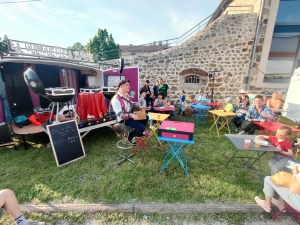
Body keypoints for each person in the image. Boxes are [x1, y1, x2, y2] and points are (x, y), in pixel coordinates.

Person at [111, 79, 149, 145]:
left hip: (130, 115)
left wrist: (139, 107)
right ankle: (130, 137)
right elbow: (120, 115)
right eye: (127, 85)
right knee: (142, 127)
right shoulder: (115, 99)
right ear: (121, 86)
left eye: (129, 85)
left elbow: (131, 104)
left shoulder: (127, 95)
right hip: (123, 120)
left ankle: (139, 133)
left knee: (146, 117)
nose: (129, 86)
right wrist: (131, 115)